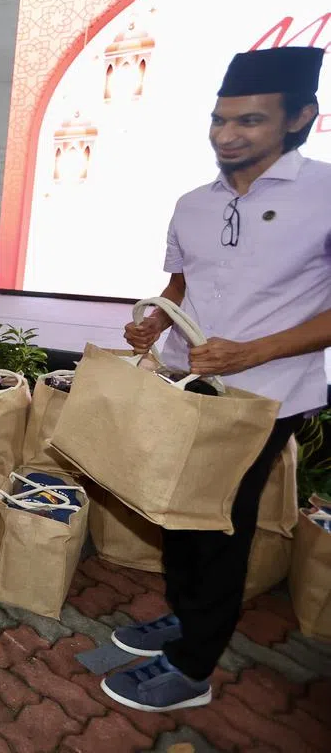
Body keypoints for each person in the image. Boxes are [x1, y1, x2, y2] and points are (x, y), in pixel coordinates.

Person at [106, 46, 331, 713]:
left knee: (218, 521)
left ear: (301, 118)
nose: (227, 135)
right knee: (176, 509)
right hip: (187, 384)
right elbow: (182, 282)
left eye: (250, 121)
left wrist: (253, 352)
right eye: (219, 120)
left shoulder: (324, 195)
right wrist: (152, 319)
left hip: (268, 395)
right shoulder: (193, 203)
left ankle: (195, 667)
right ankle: (184, 616)